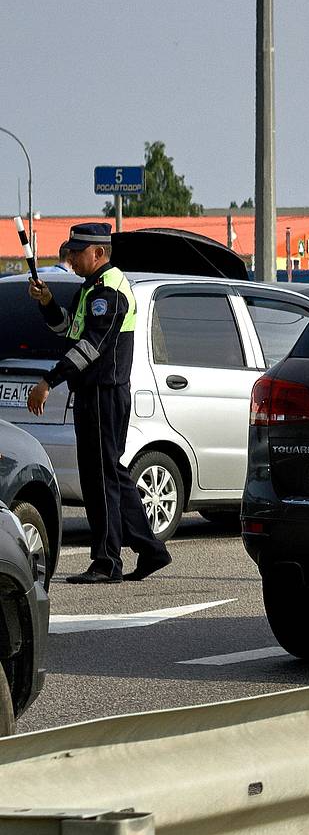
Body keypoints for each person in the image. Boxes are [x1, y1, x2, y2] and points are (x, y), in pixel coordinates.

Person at [26, 222, 171, 584]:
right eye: (70, 252)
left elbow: (91, 346)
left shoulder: (110, 292)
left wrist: (48, 381)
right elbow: (67, 330)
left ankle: (107, 562)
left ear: (99, 253)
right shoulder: (90, 290)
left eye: (77, 253)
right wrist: (47, 304)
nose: (71, 259)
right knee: (105, 475)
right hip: (92, 394)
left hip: (105, 393)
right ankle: (150, 549)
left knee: (104, 477)